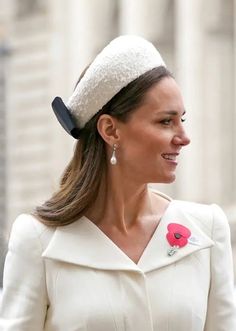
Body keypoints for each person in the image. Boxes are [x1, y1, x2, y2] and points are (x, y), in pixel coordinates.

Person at [0, 35, 235, 331]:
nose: (183, 137)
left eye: (182, 120)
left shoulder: (207, 231)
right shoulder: (38, 241)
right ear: (110, 129)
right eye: (165, 121)